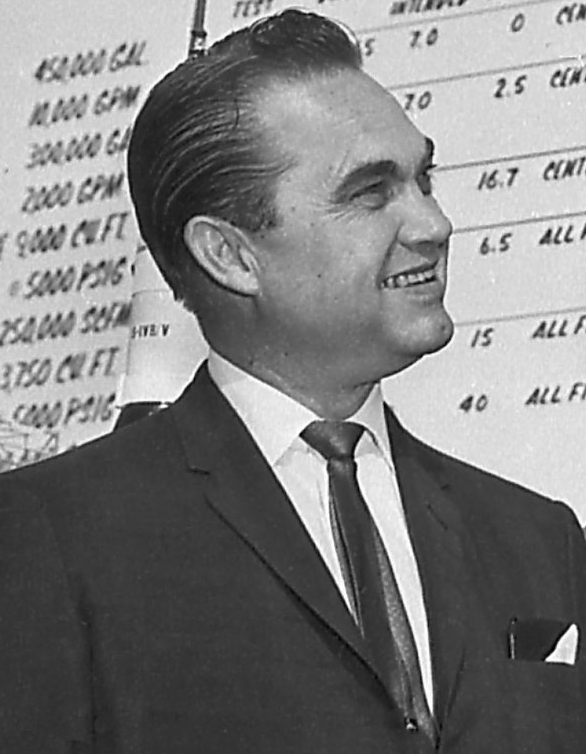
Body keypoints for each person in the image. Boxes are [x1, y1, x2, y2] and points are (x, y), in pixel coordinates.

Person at [1, 10, 585, 754]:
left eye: (423, 179)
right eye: (371, 192)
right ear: (229, 255)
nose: (434, 224)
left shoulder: (539, 538)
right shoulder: (50, 537)